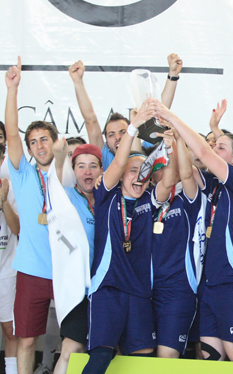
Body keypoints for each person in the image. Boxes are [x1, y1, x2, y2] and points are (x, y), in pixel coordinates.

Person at [155, 101, 233, 363]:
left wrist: (172, 115)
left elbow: (203, 154)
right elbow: (188, 170)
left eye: (221, 147)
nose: (213, 149)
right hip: (211, 284)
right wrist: (175, 139)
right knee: (211, 357)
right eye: (214, 145)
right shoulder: (213, 186)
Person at [82, 98, 175, 374]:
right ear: (121, 174)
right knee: (100, 359)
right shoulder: (106, 196)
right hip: (107, 290)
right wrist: (133, 127)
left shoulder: (149, 199)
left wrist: (170, 146)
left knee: (143, 364)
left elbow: (168, 181)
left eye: (145, 171)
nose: (140, 175)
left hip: (139, 293)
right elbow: (121, 159)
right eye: (133, 171)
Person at [5, 56, 59, 374]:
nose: (39, 145)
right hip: (31, 271)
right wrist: (12, 90)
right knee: (26, 340)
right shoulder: (24, 175)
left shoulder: (70, 175)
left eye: (44, 139)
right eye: (33, 142)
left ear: (55, 142)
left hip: (67, 272)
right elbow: (12, 133)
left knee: (75, 340)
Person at [69, 54, 182, 170]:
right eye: (111, 135)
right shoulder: (104, 158)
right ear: (106, 143)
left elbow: (159, 113)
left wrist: (173, 75)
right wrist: (78, 82)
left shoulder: (146, 149)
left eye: (123, 132)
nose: (118, 137)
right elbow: (90, 121)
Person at [50, 141, 103, 374]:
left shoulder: (109, 199)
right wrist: (59, 156)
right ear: (73, 171)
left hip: (106, 288)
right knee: (71, 349)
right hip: (77, 290)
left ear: (102, 170)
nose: (87, 172)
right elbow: (53, 183)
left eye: (93, 166)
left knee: (108, 351)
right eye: (81, 166)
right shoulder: (66, 197)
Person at [151, 131, 202, 359]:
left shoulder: (189, 196)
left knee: (166, 357)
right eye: (159, 166)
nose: (165, 171)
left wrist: (177, 141)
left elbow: (185, 174)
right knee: (141, 354)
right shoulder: (149, 200)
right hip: (147, 290)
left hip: (178, 290)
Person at [0, 144, 20, 374]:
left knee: (10, 330)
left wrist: (4, 201)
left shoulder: (11, 188)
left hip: (6, 270)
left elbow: (16, 228)